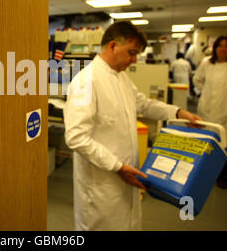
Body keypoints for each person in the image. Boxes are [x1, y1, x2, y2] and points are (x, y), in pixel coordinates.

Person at [63, 21, 201, 231]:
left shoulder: (122, 78)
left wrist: (177, 112)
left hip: (126, 175)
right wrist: (117, 166)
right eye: (132, 52)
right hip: (102, 184)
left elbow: (144, 104)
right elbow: (76, 138)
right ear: (112, 46)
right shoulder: (85, 82)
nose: (135, 59)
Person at [193, 35, 227, 189]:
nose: (223, 49)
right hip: (208, 110)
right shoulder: (206, 63)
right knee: (207, 144)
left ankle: (223, 177)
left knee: (225, 147)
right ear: (214, 48)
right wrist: (206, 92)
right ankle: (206, 174)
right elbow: (197, 80)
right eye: (220, 46)